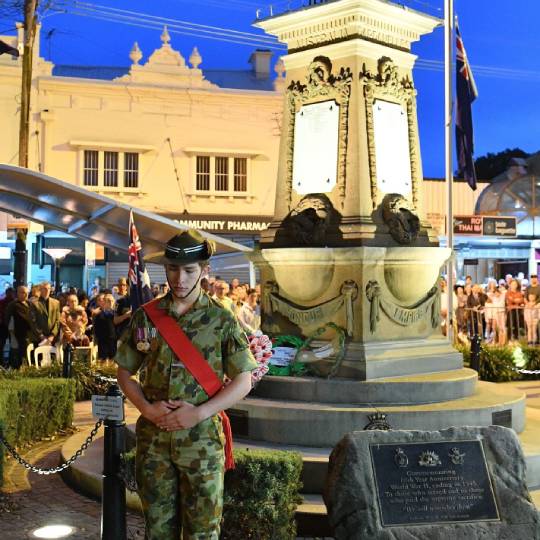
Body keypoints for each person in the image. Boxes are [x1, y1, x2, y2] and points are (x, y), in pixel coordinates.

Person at [116, 230, 257, 540]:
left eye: (190, 270)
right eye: (173, 269)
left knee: (202, 532)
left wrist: (200, 413)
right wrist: (147, 410)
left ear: (204, 271)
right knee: (158, 529)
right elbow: (125, 371)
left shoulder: (222, 320)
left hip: (202, 442)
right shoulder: (147, 316)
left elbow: (244, 379)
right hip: (155, 441)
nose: (179, 278)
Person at [5, 286, 38, 368]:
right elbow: (7, 319)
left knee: (30, 352)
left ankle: (29, 367)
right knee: (21, 354)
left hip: (31, 334)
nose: (26, 294)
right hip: (19, 334)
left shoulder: (30, 304)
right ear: (17, 293)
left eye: (27, 292)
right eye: (23, 292)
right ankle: (20, 369)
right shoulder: (13, 305)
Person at [31, 281, 60, 346]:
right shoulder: (34, 303)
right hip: (38, 338)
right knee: (39, 355)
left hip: (52, 338)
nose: (47, 291)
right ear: (40, 290)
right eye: (44, 289)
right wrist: (41, 335)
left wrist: (52, 335)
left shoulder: (56, 303)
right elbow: (33, 322)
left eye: (48, 289)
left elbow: (57, 321)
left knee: (52, 356)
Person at [93, 293, 117, 362]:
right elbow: (96, 328)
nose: (110, 302)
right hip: (102, 340)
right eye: (108, 300)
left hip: (113, 340)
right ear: (104, 302)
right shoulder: (99, 314)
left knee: (113, 360)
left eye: (112, 301)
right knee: (103, 360)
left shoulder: (116, 314)